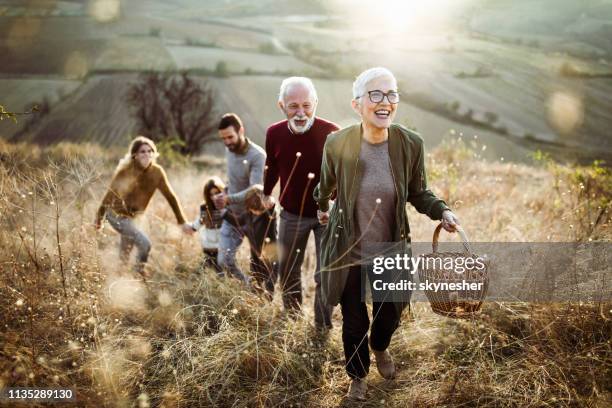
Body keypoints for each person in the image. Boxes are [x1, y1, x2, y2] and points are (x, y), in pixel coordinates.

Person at [314, 67, 460, 400]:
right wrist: (321, 205)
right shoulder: (337, 143)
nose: (385, 101)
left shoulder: (410, 144)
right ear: (357, 104)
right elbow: (325, 186)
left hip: (390, 248)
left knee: (389, 312)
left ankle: (380, 347)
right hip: (348, 249)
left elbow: (419, 192)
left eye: (391, 94)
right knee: (353, 323)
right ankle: (357, 376)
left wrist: (443, 211)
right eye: (375, 94)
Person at [263, 77, 339, 329]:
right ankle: (293, 319)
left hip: (325, 215)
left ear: (315, 103)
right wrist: (266, 193)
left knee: (326, 273)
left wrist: (331, 206)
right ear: (281, 105)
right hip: (291, 214)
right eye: (293, 105)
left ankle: (322, 326)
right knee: (288, 270)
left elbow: (343, 175)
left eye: (306, 105)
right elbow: (272, 166)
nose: (300, 112)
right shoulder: (274, 133)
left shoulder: (331, 133)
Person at [95, 136, 193, 277]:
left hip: (133, 218)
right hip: (116, 215)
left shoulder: (157, 173)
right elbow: (108, 196)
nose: (147, 154)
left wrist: (182, 222)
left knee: (125, 250)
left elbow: (171, 197)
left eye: (150, 151)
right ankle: (138, 273)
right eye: (142, 152)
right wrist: (99, 218)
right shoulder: (125, 172)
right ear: (134, 155)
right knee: (145, 244)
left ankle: (119, 279)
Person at [214, 113, 278, 295]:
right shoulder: (229, 150)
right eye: (223, 138)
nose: (227, 142)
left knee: (262, 262)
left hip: (253, 216)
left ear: (241, 131)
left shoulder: (257, 156)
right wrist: (225, 191)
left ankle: (264, 296)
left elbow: (255, 190)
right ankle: (249, 287)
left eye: (230, 137)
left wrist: (228, 198)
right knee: (224, 261)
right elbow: (233, 179)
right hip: (231, 215)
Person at [190, 176, 227, 275]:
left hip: (222, 244)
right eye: (211, 194)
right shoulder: (204, 207)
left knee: (221, 269)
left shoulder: (226, 206)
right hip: (208, 244)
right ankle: (197, 278)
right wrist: (192, 227)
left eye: (217, 193)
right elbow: (200, 221)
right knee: (207, 265)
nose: (214, 197)